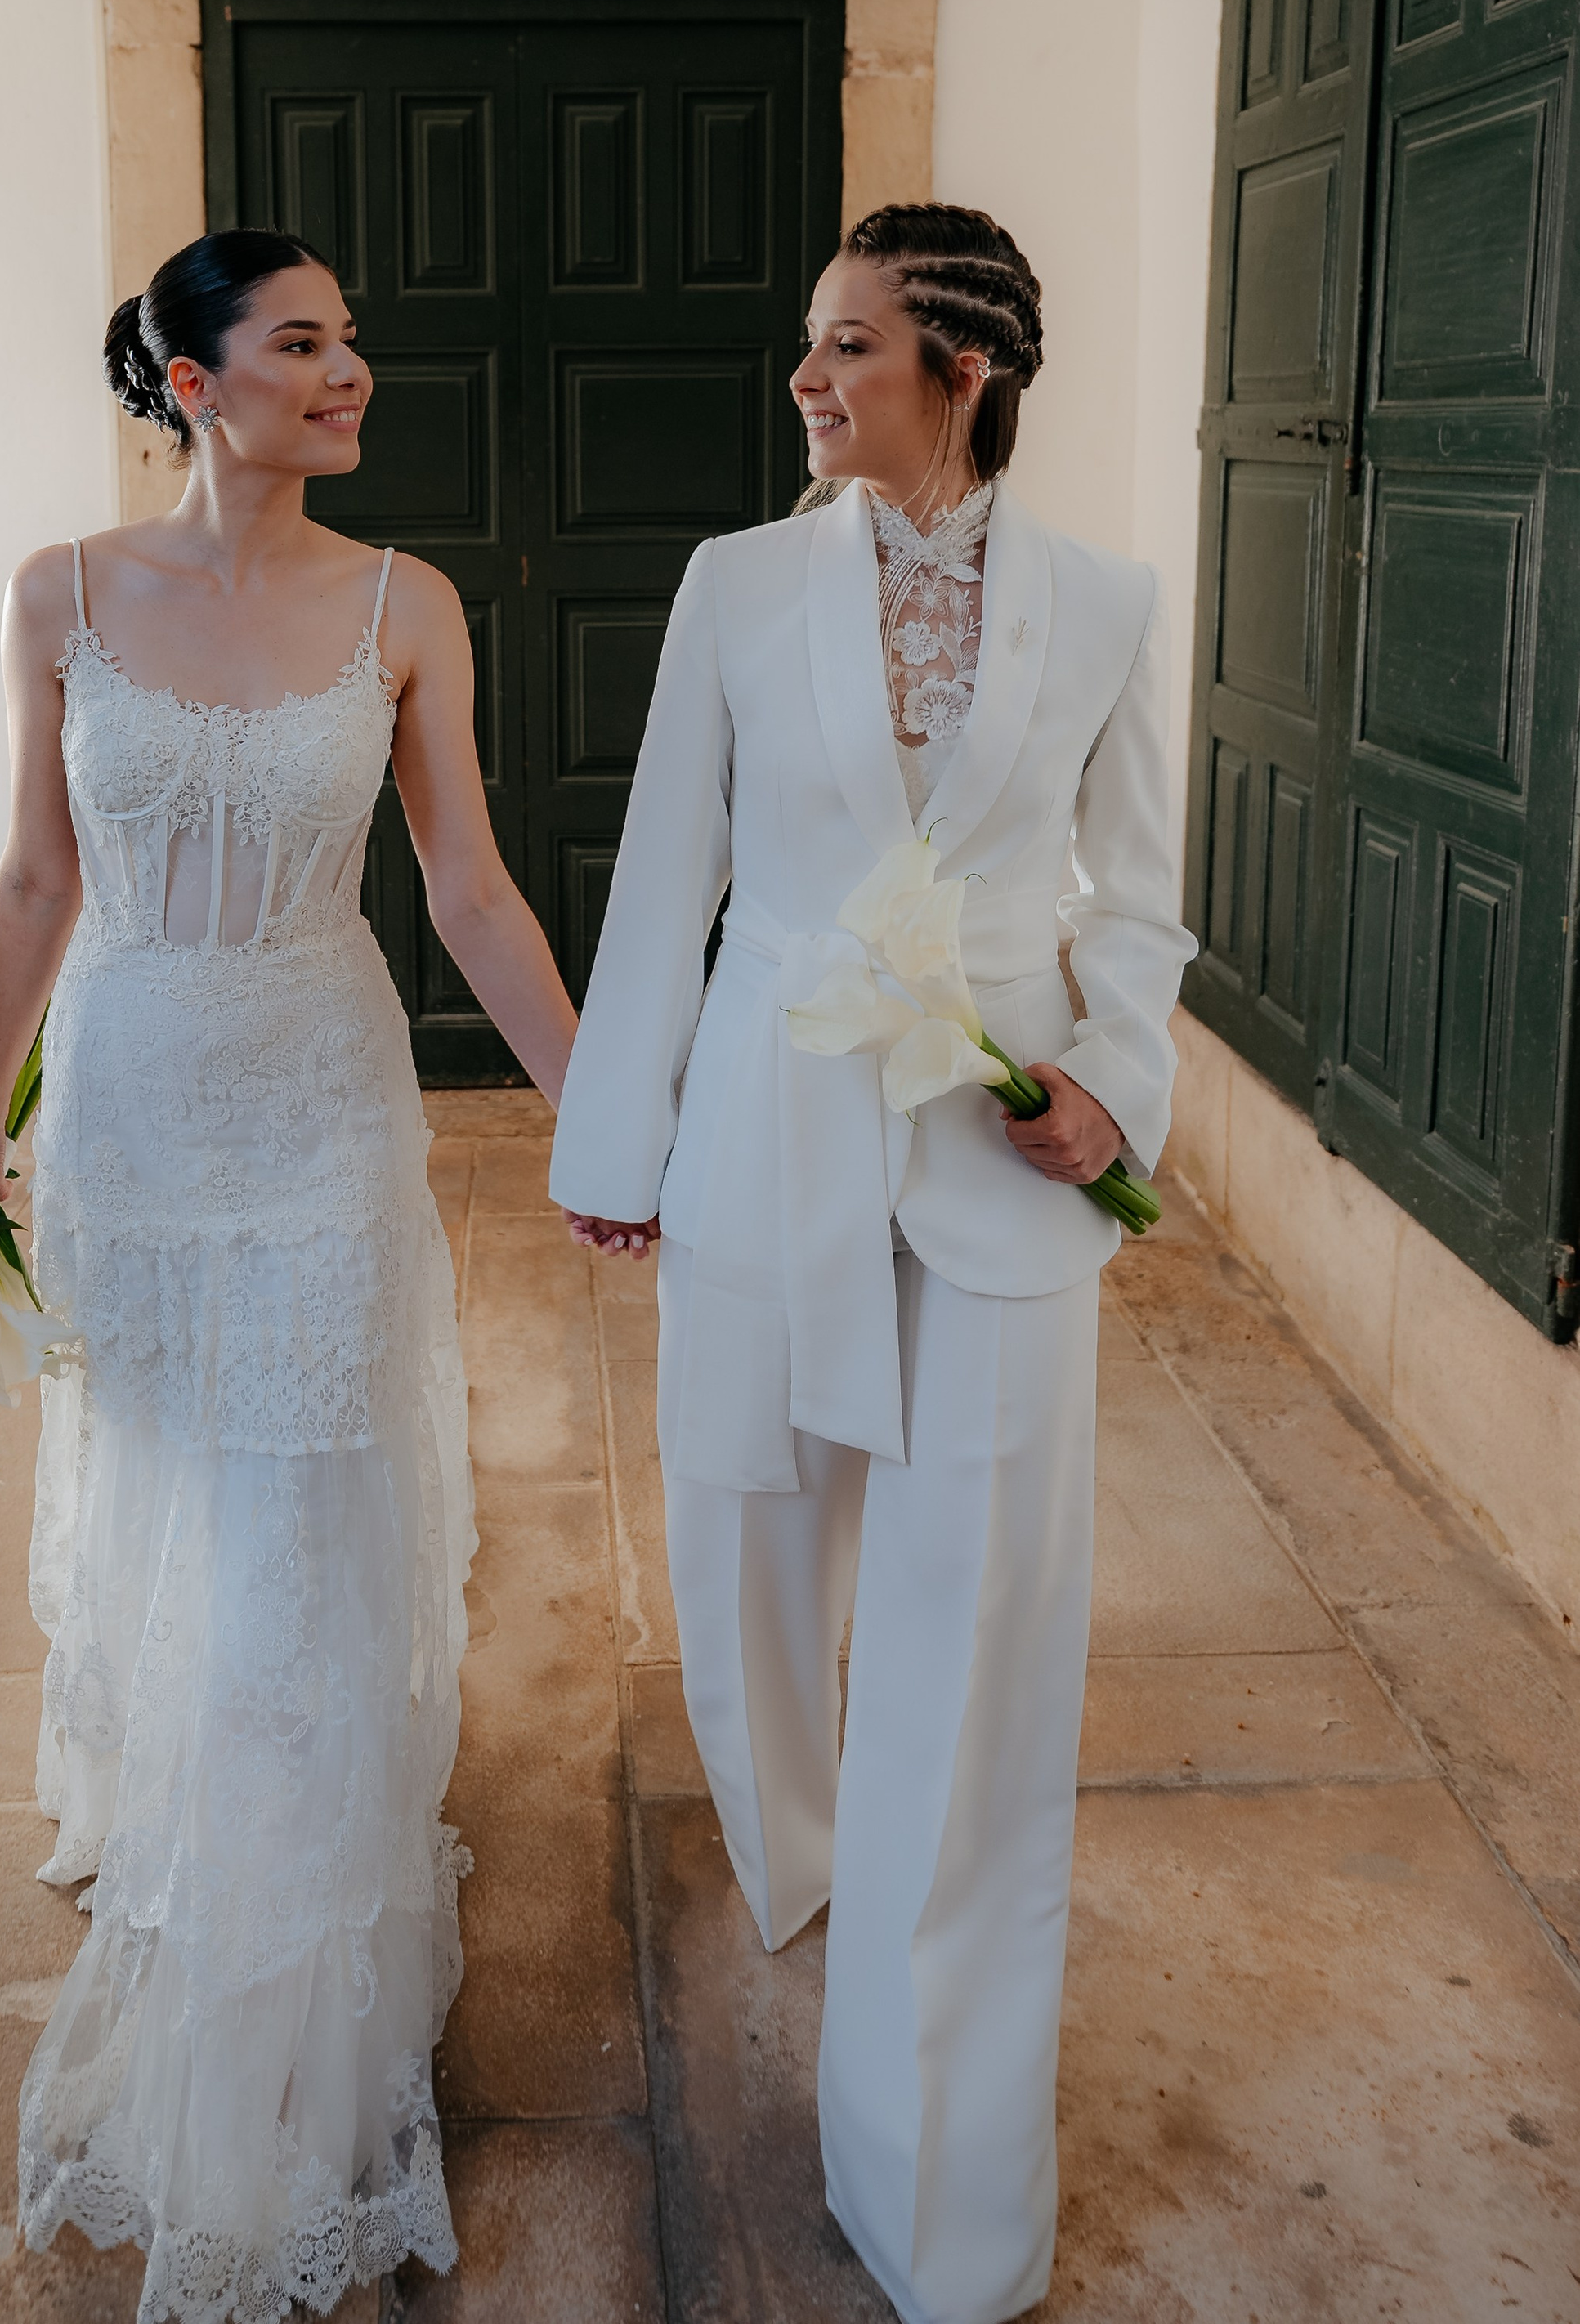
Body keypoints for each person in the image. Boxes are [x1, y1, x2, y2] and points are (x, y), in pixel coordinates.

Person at [548, 204, 1193, 2324]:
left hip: (998, 1181)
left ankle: (946, 2187)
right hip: (770, 1131)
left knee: (977, 1658)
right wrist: (617, 1141)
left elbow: (1139, 908)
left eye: (847, 350)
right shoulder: (740, 587)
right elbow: (669, 883)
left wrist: (1106, 1086)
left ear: (964, 370)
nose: (808, 384)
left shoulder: (1101, 604)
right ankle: (801, 1850)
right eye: (808, 346)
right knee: (746, 1565)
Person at [0, 231, 576, 2324]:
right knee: (177, 1493)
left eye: (349, 340)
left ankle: (281, 2031)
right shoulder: (61, 594)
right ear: (197, 382)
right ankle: (174, 1806)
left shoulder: (406, 608)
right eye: (306, 342)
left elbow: (465, 884)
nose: (350, 369)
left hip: (316, 1097)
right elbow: (37, 869)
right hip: (126, 1098)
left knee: (300, 1535)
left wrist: (596, 1103)